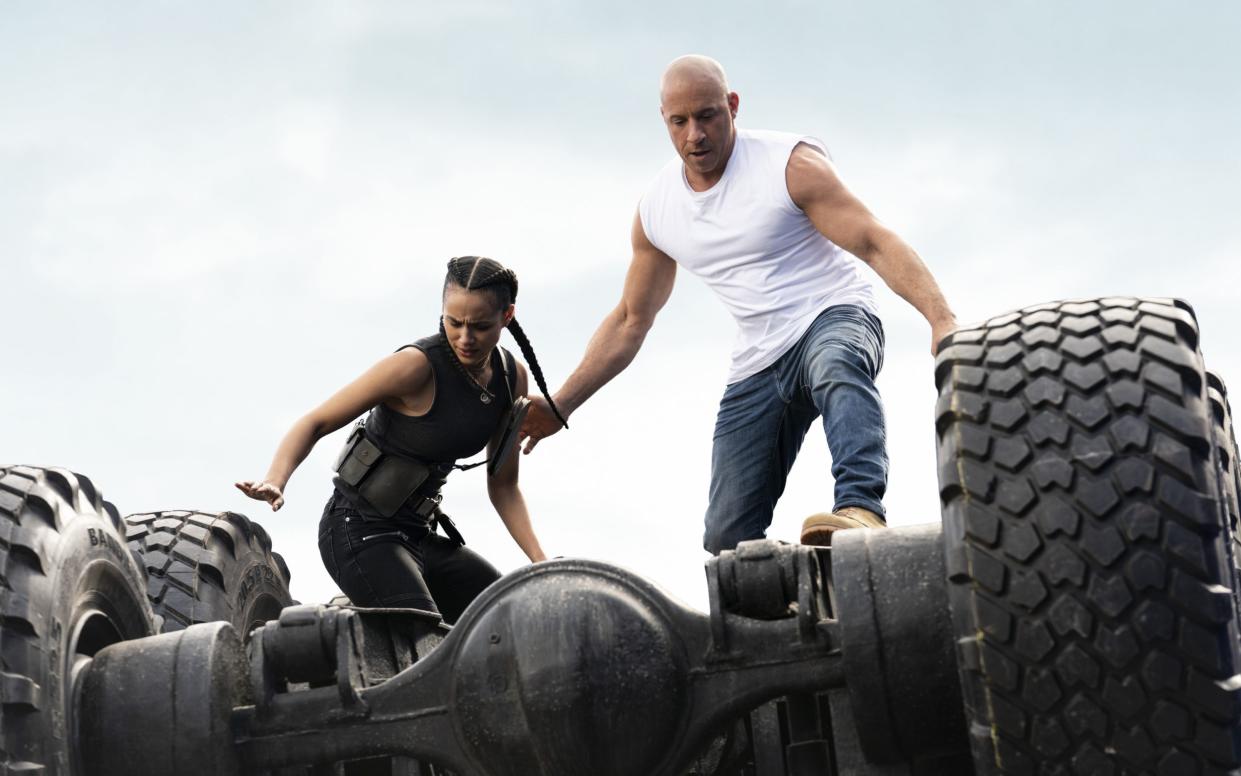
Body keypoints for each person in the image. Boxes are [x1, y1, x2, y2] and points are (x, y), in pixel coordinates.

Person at [520, 55, 958, 552]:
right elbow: (629, 320)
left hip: (833, 313)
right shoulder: (659, 210)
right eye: (679, 122)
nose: (695, 136)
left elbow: (874, 241)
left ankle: (860, 510)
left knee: (835, 363)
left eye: (707, 116)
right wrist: (561, 404)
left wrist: (940, 318)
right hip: (758, 360)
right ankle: (790, 609)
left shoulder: (789, 165)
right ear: (663, 119)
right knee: (726, 539)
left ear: (732, 106)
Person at [237, 256, 568, 623]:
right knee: (426, 636)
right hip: (358, 531)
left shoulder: (511, 378)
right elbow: (315, 422)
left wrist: (540, 562)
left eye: (480, 326)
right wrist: (276, 479)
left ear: (507, 317)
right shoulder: (415, 366)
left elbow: (504, 486)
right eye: (453, 322)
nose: (465, 337)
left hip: (419, 537)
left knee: (508, 620)